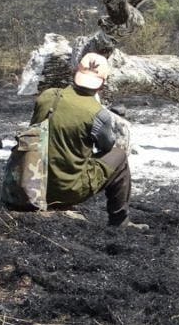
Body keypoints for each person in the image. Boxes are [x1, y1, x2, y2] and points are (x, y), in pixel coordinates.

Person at [30, 52, 143, 229]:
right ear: (103, 83)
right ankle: (120, 221)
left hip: (31, 180)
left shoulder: (47, 96)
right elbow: (106, 146)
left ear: (75, 72)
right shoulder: (98, 113)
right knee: (119, 157)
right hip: (65, 189)